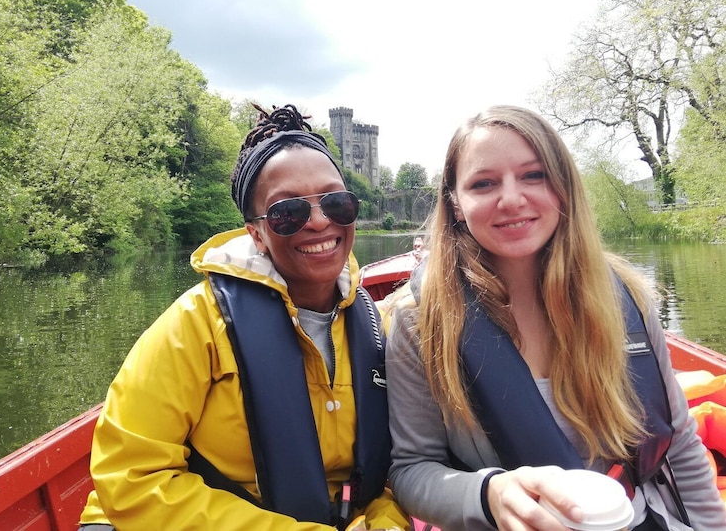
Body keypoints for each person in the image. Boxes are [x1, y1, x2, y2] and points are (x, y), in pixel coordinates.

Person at [384, 105, 726, 530]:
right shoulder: (419, 324)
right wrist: (488, 494)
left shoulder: (628, 297)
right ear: (456, 203)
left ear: (563, 188)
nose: (511, 199)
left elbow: (679, 444)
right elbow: (412, 469)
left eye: (534, 175)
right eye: (484, 183)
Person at [78, 104, 408, 530]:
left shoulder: (374, 329)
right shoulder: (194, 326)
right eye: (288, 213)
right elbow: (131, 479)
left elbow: (392, 470)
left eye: (336, 203)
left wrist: (386, 523)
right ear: (255, 232)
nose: (320, 222)